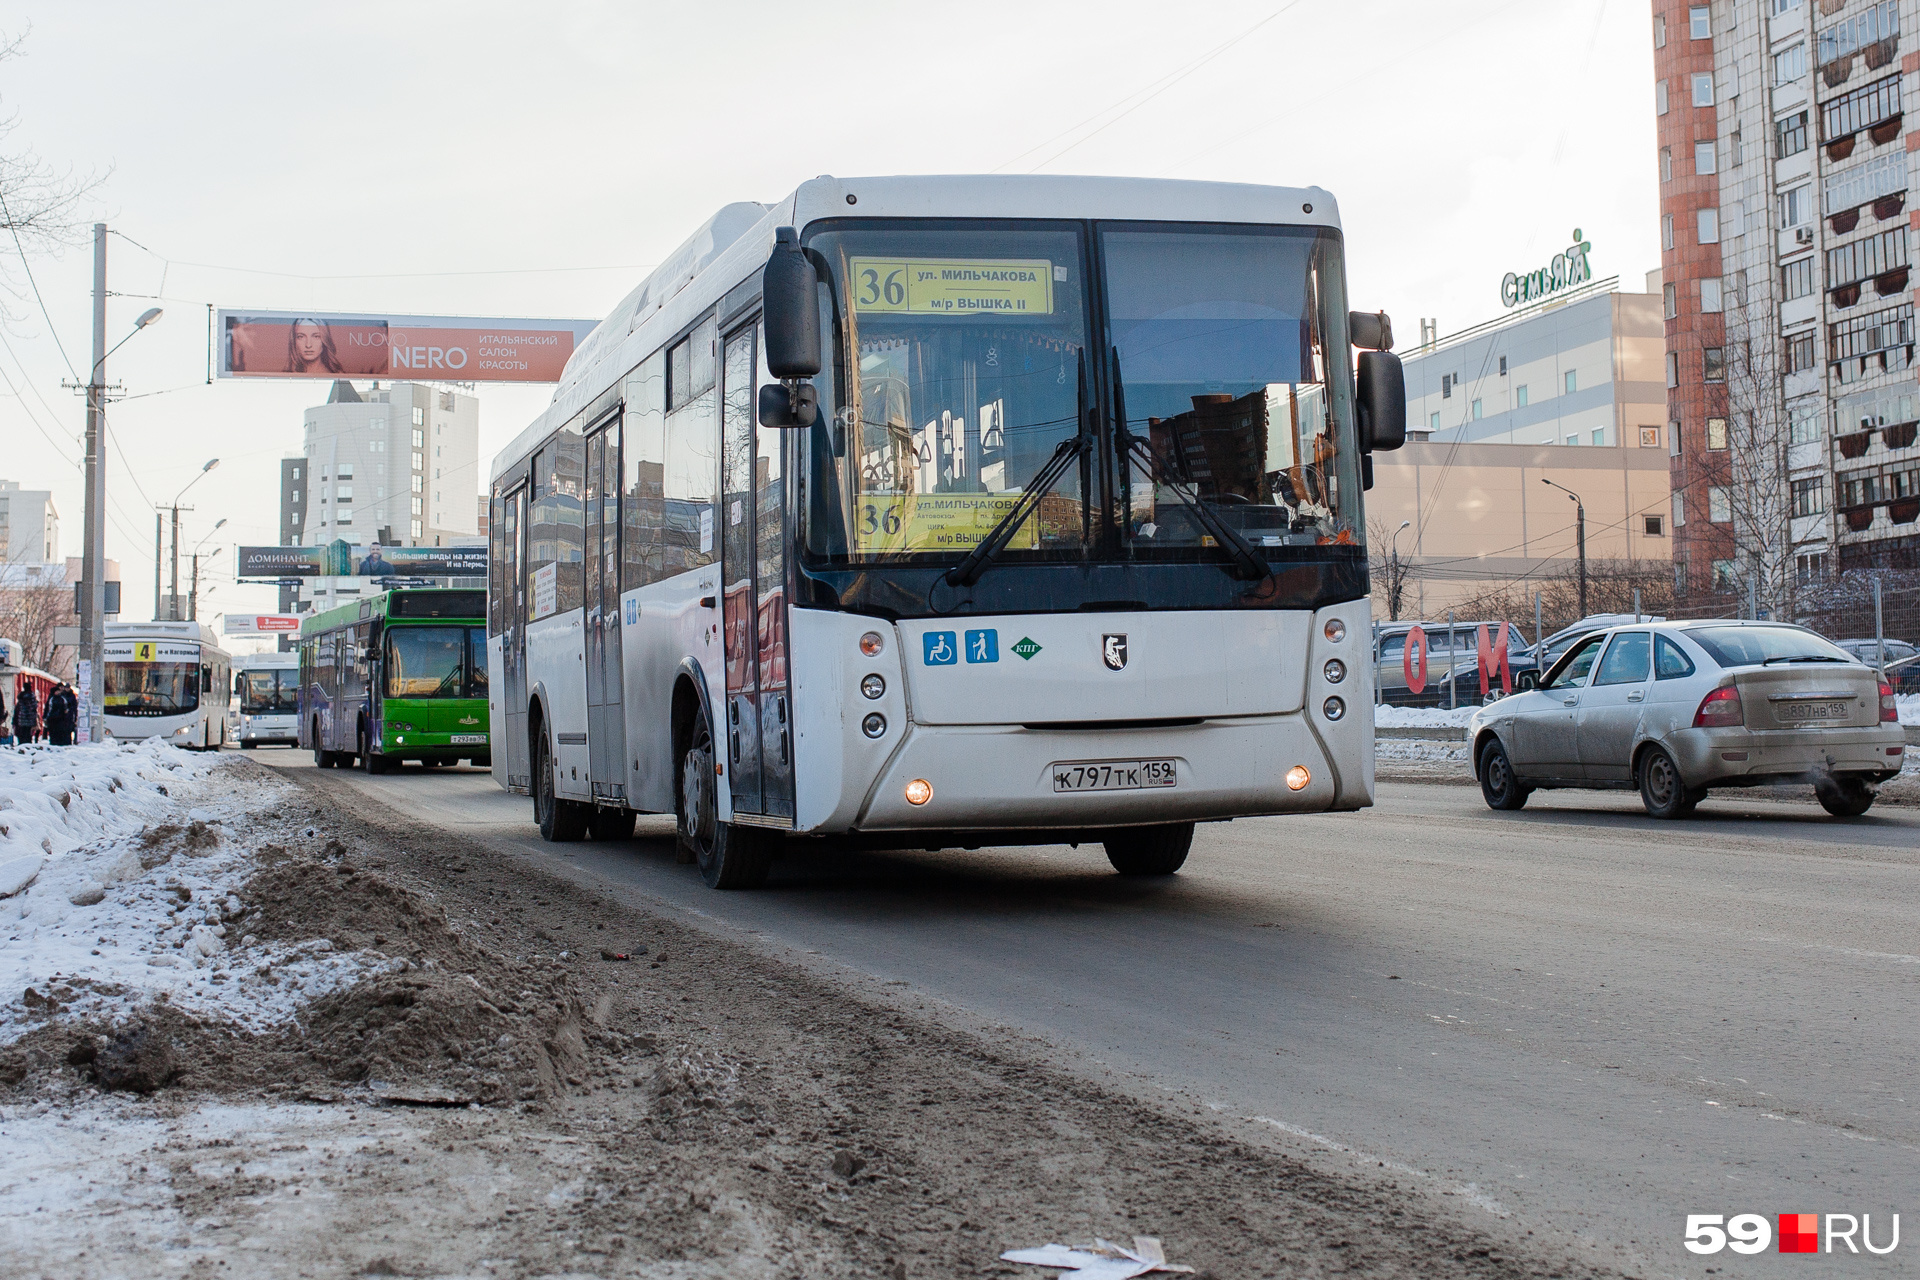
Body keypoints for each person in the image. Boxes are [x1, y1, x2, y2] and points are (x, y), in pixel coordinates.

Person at [43, 681, 78, 747]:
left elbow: (48, 708)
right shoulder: (62, 698)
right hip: (60, 719)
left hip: (57, 719)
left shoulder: (55, 698)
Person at [12, 681, 39, 746]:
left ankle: (21, 746)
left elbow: (17, 710)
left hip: (21, 720)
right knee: (28, 737)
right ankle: (28, 748)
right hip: (30, 720)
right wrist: (35, 722)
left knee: (21, 736)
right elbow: (34, 709)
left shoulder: (21, 697)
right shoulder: (32, 697)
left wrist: (14, 721)